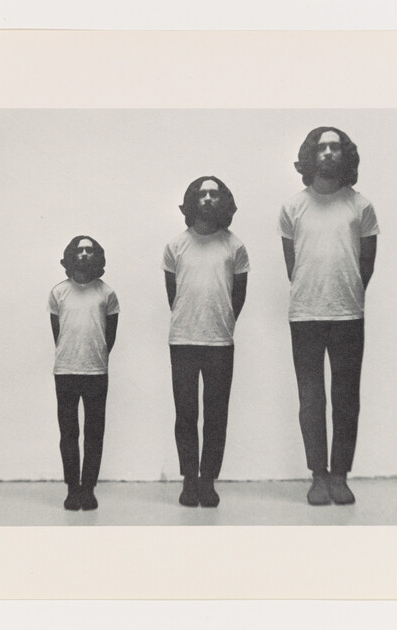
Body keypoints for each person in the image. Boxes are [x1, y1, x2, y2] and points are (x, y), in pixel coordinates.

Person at [279, 127, 380, 506]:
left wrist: (346, 294)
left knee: (346, 397)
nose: (328, 153)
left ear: (345, 155)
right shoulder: (293, 207)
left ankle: (340, 475)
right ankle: (317, 476)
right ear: (310, 155)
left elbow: (365, 265)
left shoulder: (361, 206)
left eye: (335, 147)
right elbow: (294, 266)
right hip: (305, 314)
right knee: (311, 398)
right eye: (321, 147)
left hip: (348, 314)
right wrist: (314, 291)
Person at [162, 176, 249, 508]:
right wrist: (191, 319)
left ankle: (208, 481)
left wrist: (221, 322)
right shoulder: (175, 246)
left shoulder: (234, 246)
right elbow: (174, 296)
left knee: (216, 414)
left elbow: (237, 297)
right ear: (192, 201)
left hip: (220, 342)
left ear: (223, 200)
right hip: (183, 340)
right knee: (185, 414)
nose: (209, 199)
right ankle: (188, 481)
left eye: (215, 194)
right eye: (202, 194)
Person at [48, 235, 120, 511]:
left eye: (90, 250)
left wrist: (97, 356)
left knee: (94, 432)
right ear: (70, 256)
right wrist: (72, 353)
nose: (85, 254)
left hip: (96, 371)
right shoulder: (58, 293)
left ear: (98, 257)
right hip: (65, 371)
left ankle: (88, 489)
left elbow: (109, 335)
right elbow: (58, 333)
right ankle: (72, 489)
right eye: (80, 250)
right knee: (68, 433)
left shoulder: (107, 293)